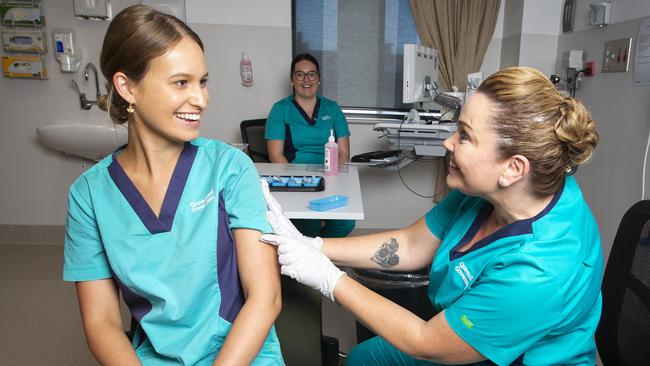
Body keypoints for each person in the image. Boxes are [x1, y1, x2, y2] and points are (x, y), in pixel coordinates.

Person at [262, 67, 602, 365]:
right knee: (364, 358)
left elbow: (425, 342)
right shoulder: (495, 191)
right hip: (463, 325)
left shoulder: (540, 272)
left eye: (465, 136)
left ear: (513, 168)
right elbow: (410, 245)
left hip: (504, 357)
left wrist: (328, 278)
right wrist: (313, 245)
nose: (449, 143)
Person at [62, 5, 283, 365]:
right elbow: (101, 321)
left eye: (203, 81)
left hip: (243, 355)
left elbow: (265, 297)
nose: (201, 99)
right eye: (182, 82)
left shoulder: (229, 168)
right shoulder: (89, 195)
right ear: (127, 86)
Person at [264, 53, 355, 238]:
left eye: (312, 74)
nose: (306, 80)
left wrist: (335, 180)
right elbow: (275, 156)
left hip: (330, 176)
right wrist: (298, 182)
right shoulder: (280, 109)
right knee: (308, 223)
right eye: (300, 74)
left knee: (346, 222)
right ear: (292, 79)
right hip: (297, 178)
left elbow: (344, 153)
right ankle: (310, 257)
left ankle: (318, 250)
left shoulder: (332, 108)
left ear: (319, 79)